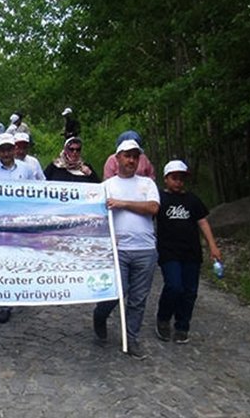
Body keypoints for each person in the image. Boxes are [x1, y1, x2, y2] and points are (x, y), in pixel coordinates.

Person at [94, 139, 160, 360]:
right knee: (115, 293)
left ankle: (131, 339)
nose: (131, 160)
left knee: (138, 299)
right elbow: (95, 216)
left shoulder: (147, 184)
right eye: (127, 155)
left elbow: (153, 208)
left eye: (135, 156)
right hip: (118, 250)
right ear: (117, 158)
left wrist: (123, 204)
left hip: (146, 249)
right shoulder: (107, 186)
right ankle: (99, 316)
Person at [154, 160, 222, 345]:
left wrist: (212, 245)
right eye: (174, 178)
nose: (178, 182)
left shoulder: (192, 200)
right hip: (169, 252)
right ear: (166, 179)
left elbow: (202, 222)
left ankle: (182, 325)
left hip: (191, 252)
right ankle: (163, 318)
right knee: (174, 286)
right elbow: (147, 215)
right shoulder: (159, 199)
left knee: (190, 291)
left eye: (181, 178)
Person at [0, 133, 36, 324]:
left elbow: (36, 195)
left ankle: (19, 290)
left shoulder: (27, 169)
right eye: (2, 150)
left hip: (21, 223)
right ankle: (4, 302)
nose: (6, 153)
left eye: (9, 149)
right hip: (0, 224)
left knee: (20, 260)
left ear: (15, 149)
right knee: (2, 261)